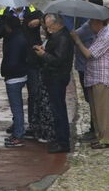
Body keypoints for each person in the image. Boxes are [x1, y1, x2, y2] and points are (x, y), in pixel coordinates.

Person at [70, 16, 109, 149]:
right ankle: (100, 136)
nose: (90, 25)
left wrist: (77, 40)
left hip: (102, 77)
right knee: (96, 110)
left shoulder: (107, 35)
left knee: (103, 109)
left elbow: (89, 54)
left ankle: (106, 139)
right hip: (94, 76)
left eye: (91, 22)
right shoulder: (99, 34)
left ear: (99, 22)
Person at [34, 14, 73, 153]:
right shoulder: (60, 35)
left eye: (50, 27)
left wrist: (43, 55)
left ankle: (63, 142)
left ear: (57, 24)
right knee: (57, 109)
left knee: (59, 110)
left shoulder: (62, 38)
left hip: (57, 77)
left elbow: (58, 60)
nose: (48, 30)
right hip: (55, 76)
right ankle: (60, 139)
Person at [0, 13, 30, 147]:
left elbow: (11, 61)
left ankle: (18, 135)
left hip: (13, 77)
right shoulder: (22, 37)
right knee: (18, 108)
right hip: (22, 74)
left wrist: (5, 73)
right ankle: (18, 132)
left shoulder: (13, 41)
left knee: (16, 108)